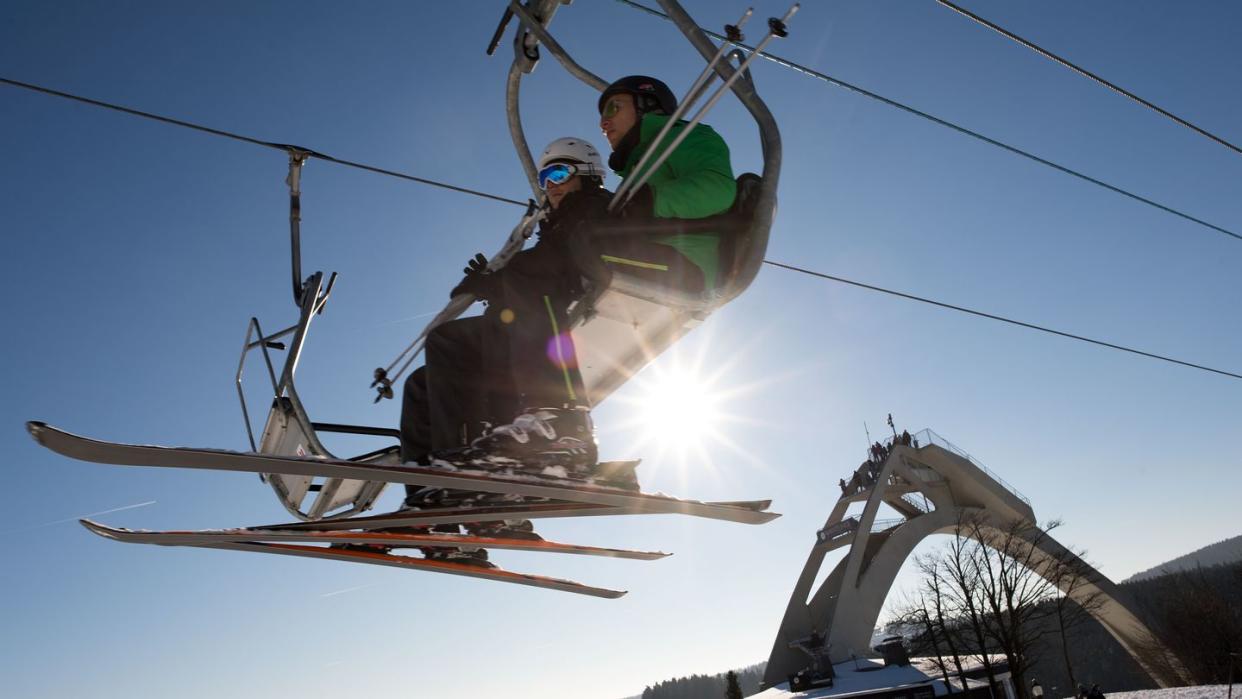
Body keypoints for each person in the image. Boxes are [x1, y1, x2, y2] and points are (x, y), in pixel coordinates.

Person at [399, 136, 611, 501]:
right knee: (431, 366)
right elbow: (536, 268)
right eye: (545, 179)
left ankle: (563, 419)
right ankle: (439, 471)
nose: (552, 186)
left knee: (518, 282)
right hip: (526, 320)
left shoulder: (592, 208)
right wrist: (494, 284)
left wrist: (494, 282)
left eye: (559, 173)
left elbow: (550, 268)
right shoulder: (556, 224)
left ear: (588, 174)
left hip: (556, 314)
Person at [590, 75, 736, 293]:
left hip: (685, 266)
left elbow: (719, 189)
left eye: (613, 108)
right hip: (649, 257)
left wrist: (650, 202)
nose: (604, 123)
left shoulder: (682, 136)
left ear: (647, 103)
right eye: (601, 119)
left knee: (582, 245)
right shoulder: (637, 169)